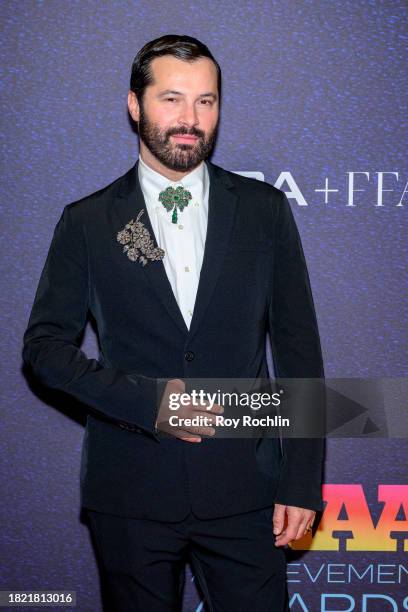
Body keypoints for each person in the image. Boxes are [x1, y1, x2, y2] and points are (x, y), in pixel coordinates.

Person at [22, 34, 325, 611]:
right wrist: (148, 402)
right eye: (172, 99)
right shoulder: (88, 222)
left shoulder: (263, 211)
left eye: (205, 102)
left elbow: (299, 352)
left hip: (247, 492)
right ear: (135, 105)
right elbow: (44, 349)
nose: (190, 119)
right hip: (131, 492)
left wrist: (301, 483)